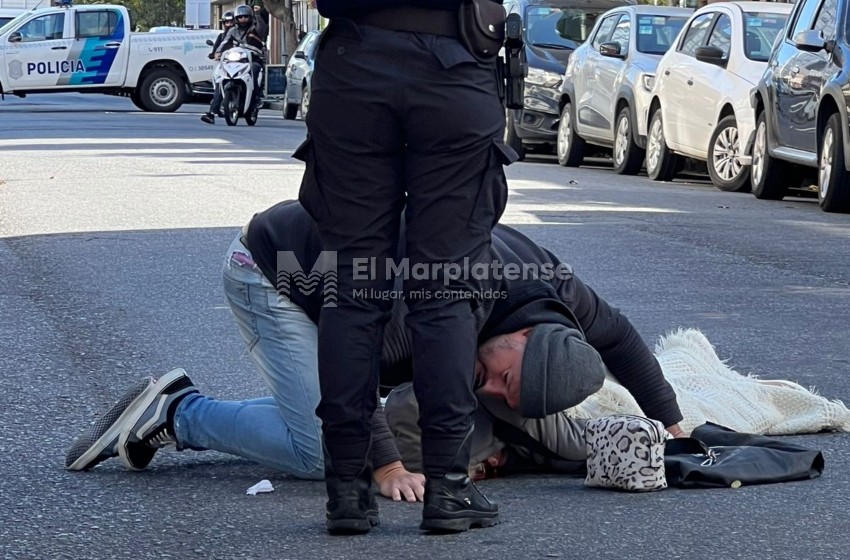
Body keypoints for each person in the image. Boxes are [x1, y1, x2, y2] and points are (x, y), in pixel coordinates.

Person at [65, 200, 685, 512]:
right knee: (328, 453)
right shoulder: (433, 298)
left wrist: (669, 421)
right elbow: (352, 362)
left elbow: (622, 338)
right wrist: (387, 466)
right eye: (501, 377)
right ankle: (179, 412)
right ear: (518, 338)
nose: (489, 392)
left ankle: (230, 411)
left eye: (505, 394)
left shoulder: (557, 294)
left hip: (351, 281)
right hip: (273, 270)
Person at [305, 0, 515, 535]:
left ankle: (347, 492)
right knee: (444, 287)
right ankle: (446, 486)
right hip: (454, 64)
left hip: (354, 61)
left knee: (351, 286)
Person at [203, 4, 265, 124]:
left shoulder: (255, 28)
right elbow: (224, 42)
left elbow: (262, 29)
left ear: (250, 17)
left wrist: (258, 14)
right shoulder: (232, 30)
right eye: (240, 17)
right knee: (220, 77)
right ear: (236, 18)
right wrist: (217, 53)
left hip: (253, 59)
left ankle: (256, 99)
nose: (243, 19)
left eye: (246, 17)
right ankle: (212, 112)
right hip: (236, 61)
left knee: (255, 69)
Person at [201, 11, 236, 124]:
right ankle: (212, 112)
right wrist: (214, 54)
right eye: (227, 22)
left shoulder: (241, 34)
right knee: (217, 80)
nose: (229, 24)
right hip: (225, 64)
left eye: (231, 22)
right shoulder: (221, 37)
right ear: (223, 23)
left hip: (241, 64)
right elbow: (216, 50)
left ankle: (255, 100)